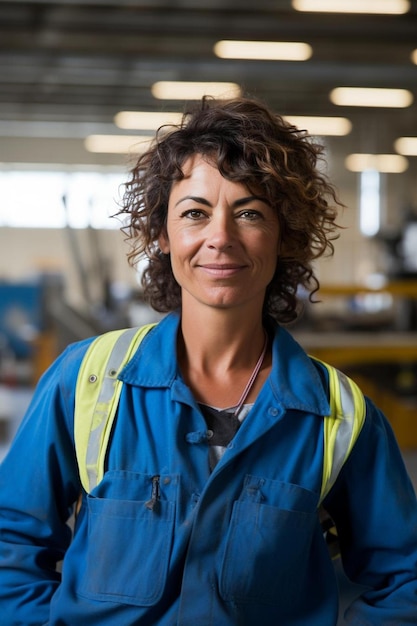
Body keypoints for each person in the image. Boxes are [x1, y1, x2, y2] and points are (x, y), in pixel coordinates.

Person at [0, 96, 416, 626]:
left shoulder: (339, 416)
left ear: (284, 238)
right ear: (161, 233)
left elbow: (405, 577)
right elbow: (10, 541)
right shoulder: (86, 381)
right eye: (194, 213)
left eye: (249, 213)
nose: (220, 237)